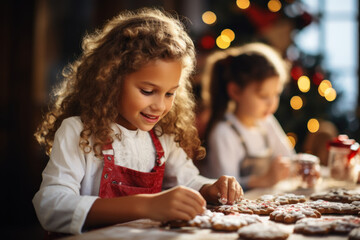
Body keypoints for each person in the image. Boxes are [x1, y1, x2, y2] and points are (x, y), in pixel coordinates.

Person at [32, 8, 243, 235]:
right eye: (147, 90)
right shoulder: (78, 132)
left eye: (170, 93)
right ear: (110, 80)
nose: (160, 106)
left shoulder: (163, 137)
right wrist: (146, 205)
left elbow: (188, 180)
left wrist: (210, 188)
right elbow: (51, 206)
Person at [199, 42, 295, 191]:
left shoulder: (267, 122)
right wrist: (263, 180)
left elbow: (290, 159)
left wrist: (302, 168)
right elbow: (224, 189)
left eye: (276, 94)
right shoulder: (224, 133)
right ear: (235, 91)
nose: (271, 103)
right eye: (263, 96)